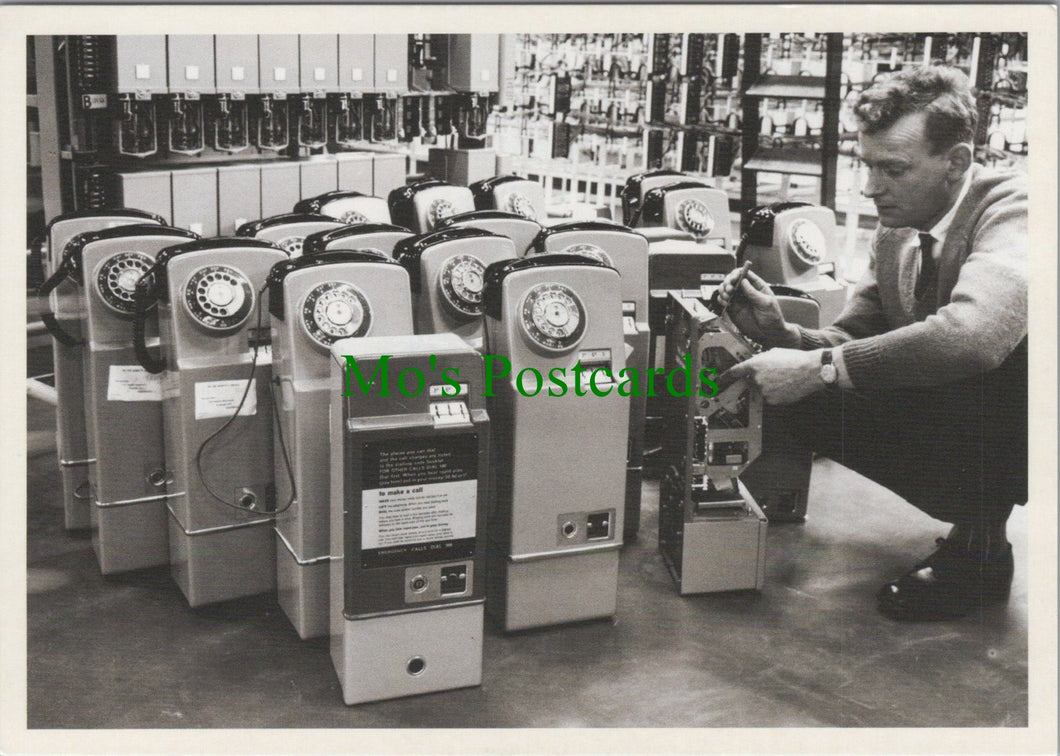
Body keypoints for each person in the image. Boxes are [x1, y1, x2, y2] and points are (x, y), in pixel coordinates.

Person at [715, 65, 1028, 622]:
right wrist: (782, 334)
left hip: (1030, 426)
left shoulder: (1017, 210)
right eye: (867, 165)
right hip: (976, 419)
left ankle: (982, 547)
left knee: (992, 362)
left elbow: (975, 339)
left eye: (894, 169)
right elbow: (857, 333)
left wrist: (820, 367)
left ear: (956, 162)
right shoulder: (900, 224)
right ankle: (970, 519)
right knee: (793, 385)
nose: (871, 186)